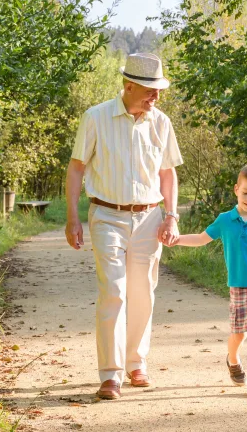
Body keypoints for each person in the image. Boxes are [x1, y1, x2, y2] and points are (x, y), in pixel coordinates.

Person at [64, 53, 183, 400]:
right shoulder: (96, 118)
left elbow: (167, 173)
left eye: (159, 90)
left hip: (149, 218)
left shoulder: (161, 123)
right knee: (113, 290)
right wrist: (72, 216)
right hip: (106, 215)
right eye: (150, 90)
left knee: (143, 292)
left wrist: (171, 215)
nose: (156, 97)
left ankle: (136, 364)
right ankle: (110, 374)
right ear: (128, 86)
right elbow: (76, 168)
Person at [173, 164, 247, 397]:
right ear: (236, 189)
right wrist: (176, 240)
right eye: (246, 193)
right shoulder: (225, 220)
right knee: (239, 334)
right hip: (239, 286)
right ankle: (233, 359)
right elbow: (201, 238)